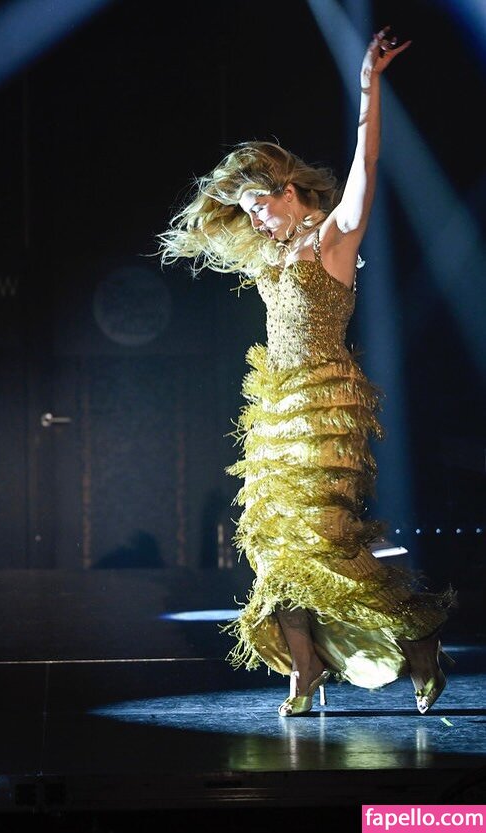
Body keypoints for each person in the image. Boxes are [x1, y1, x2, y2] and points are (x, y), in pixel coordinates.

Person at [156, 27, 456, 715]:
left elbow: (367, 162)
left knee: (324, 540)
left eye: (259, 205)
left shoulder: (332, 238)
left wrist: (368, 86)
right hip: (275, 407)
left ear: (288, 191)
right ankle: (304, 666)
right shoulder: (273, 252)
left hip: (324, 404)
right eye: (247, 212)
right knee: (272, 543)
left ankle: (418, 636)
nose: (255, 221)